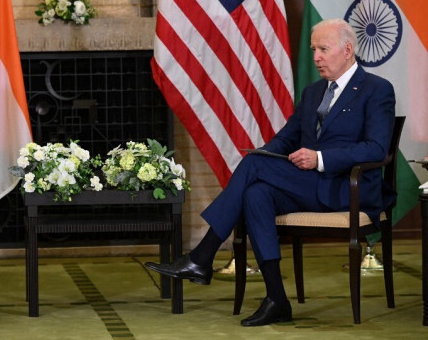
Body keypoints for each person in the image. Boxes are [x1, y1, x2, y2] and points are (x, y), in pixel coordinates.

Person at [145, 18, 396, 326]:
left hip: (348, 190)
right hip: (311, 186)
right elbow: (286, 138)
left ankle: (202, 257)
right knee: (256, 193)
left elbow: (376, 149)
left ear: (347, 50)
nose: (316, 56)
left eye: (323, 49)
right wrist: (263, 155)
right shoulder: (314, 91)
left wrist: (319, 158)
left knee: (254, 169)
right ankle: (276, 298)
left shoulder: (377, 89)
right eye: (313, 49)